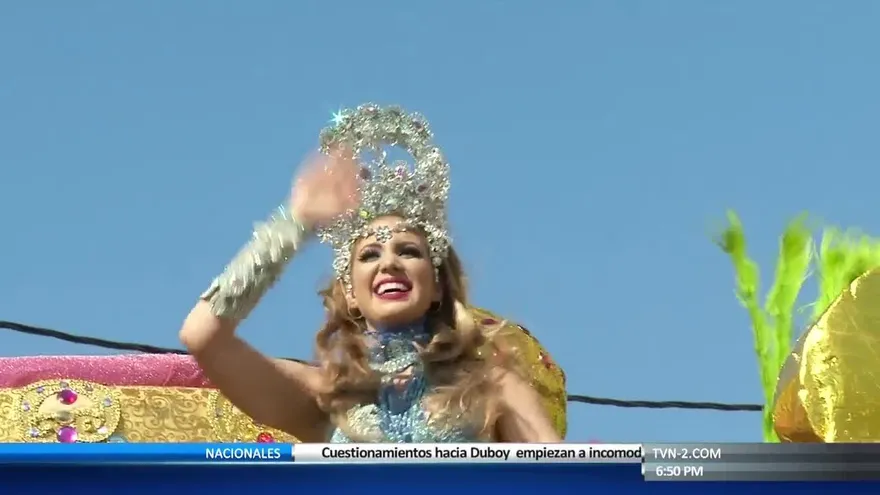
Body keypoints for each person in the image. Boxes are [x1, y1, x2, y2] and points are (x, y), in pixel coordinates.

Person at [180, 104, 563, 443]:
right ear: (349, 292)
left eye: (409, 251)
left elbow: (565, 478)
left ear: (436, 287)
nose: (389, 263)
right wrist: (293, 224)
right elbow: (202, 335)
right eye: (369, 256)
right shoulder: (328, 395)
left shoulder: (492, 384)